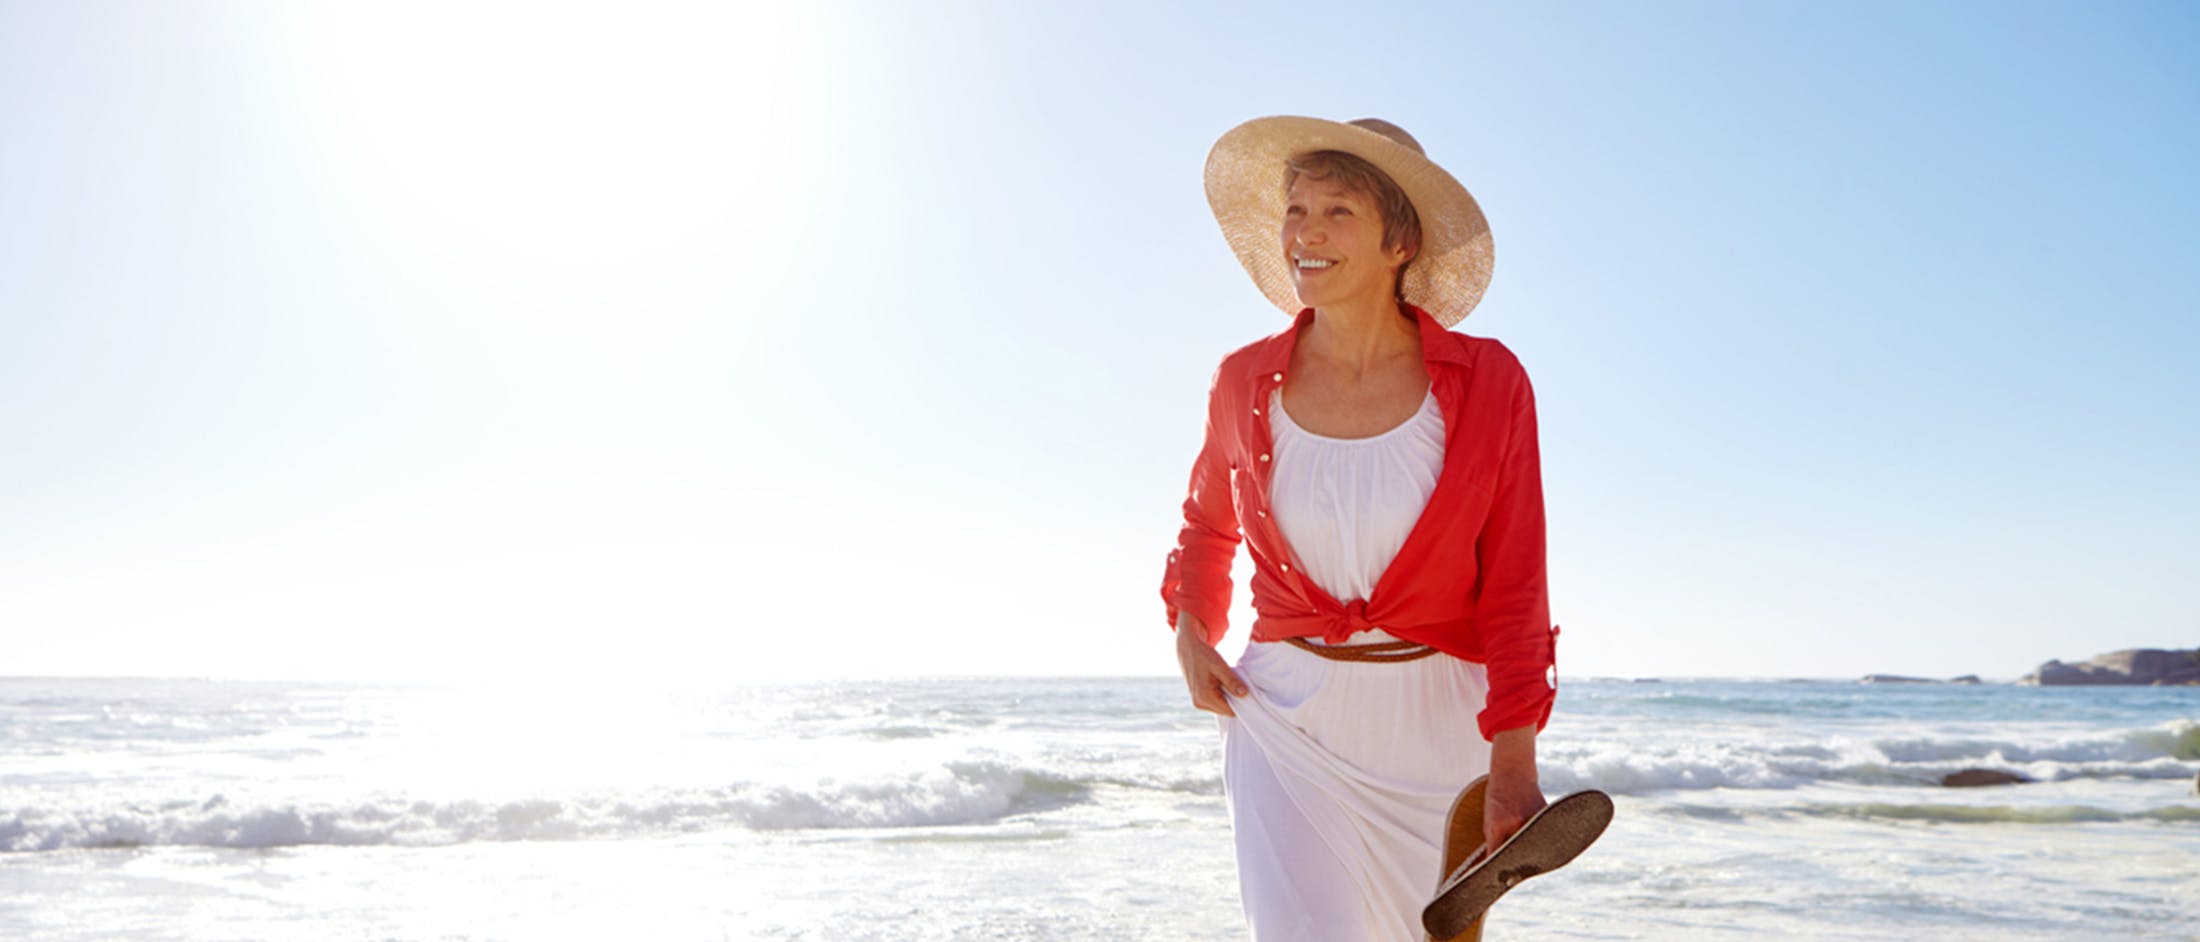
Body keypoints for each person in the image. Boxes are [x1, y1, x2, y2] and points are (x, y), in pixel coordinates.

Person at [1161, 116, 1559, 940]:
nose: (1304, 234)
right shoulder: (1242, 380)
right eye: (1295, 209)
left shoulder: (1489, 381)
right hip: (1286, 716)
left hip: (1439, 732)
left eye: (1336, 211)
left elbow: (1516, 580)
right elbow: (1207, 523)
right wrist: (1193, 629)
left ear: (1399, 242)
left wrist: (1514, 756)